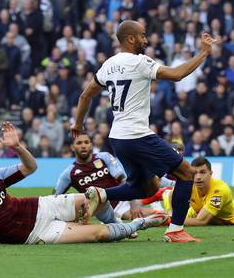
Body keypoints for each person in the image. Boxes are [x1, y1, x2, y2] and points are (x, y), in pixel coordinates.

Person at [72, 20, 215, 242]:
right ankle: (175, 230)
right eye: (142, 35)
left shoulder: (108, 65)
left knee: (145, 188)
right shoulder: (139, 63)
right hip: (137, 135)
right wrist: (203, 53)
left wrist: (77, 125)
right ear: (130, 38)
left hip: (118, 138)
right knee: (187, 173)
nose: (146, 40)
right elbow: (177, 74)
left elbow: (84, 96)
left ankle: (102, 194)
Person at [0, 122, 166, 247]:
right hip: (38, 234)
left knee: (96, 195)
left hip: (44, 206)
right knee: (99, 233)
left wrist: (17, 147)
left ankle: (120, 225)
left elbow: (30, 168)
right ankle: (139, 224)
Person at [54, 133, 148, 221]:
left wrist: (133, 203)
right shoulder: (69, 173)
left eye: (86, 142)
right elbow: (54, 197)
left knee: (152, 184)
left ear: (91, 145)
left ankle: (160, 195)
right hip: (107, 210)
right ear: (72, 147)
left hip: (124, 199)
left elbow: (123, 180)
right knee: (145, 215)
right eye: (79, 143)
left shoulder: (104, 157)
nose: (83, 146)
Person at [182, 157, 234, 226]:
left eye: (202, 172)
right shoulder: (189, 185)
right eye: (195, 173)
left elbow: (201, 221)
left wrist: (171, 222)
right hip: (202, 210)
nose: (198, 177)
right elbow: (172, 194)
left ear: (210, 173)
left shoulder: (220, 190)